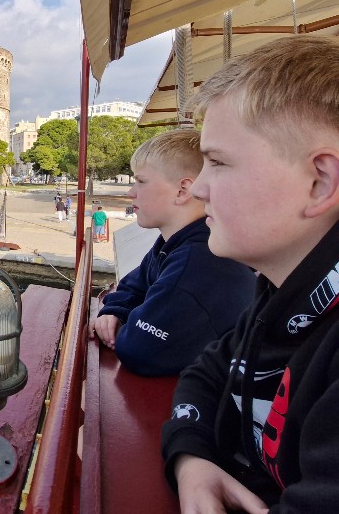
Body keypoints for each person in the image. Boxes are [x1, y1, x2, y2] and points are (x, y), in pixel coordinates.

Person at [161, 36, 339, 512]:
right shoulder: (282, 295)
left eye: (217, 162)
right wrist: (191, 459)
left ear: (320, 182)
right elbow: (209, 370)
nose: (197, 186)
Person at [89, 129, 255, 376]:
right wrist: (115, 311)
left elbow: (140, 350)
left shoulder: (199, 262)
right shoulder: (174, 244)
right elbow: (132, 285)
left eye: (141, 181)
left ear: (183, 190)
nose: (130, 193)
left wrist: (125, 322)